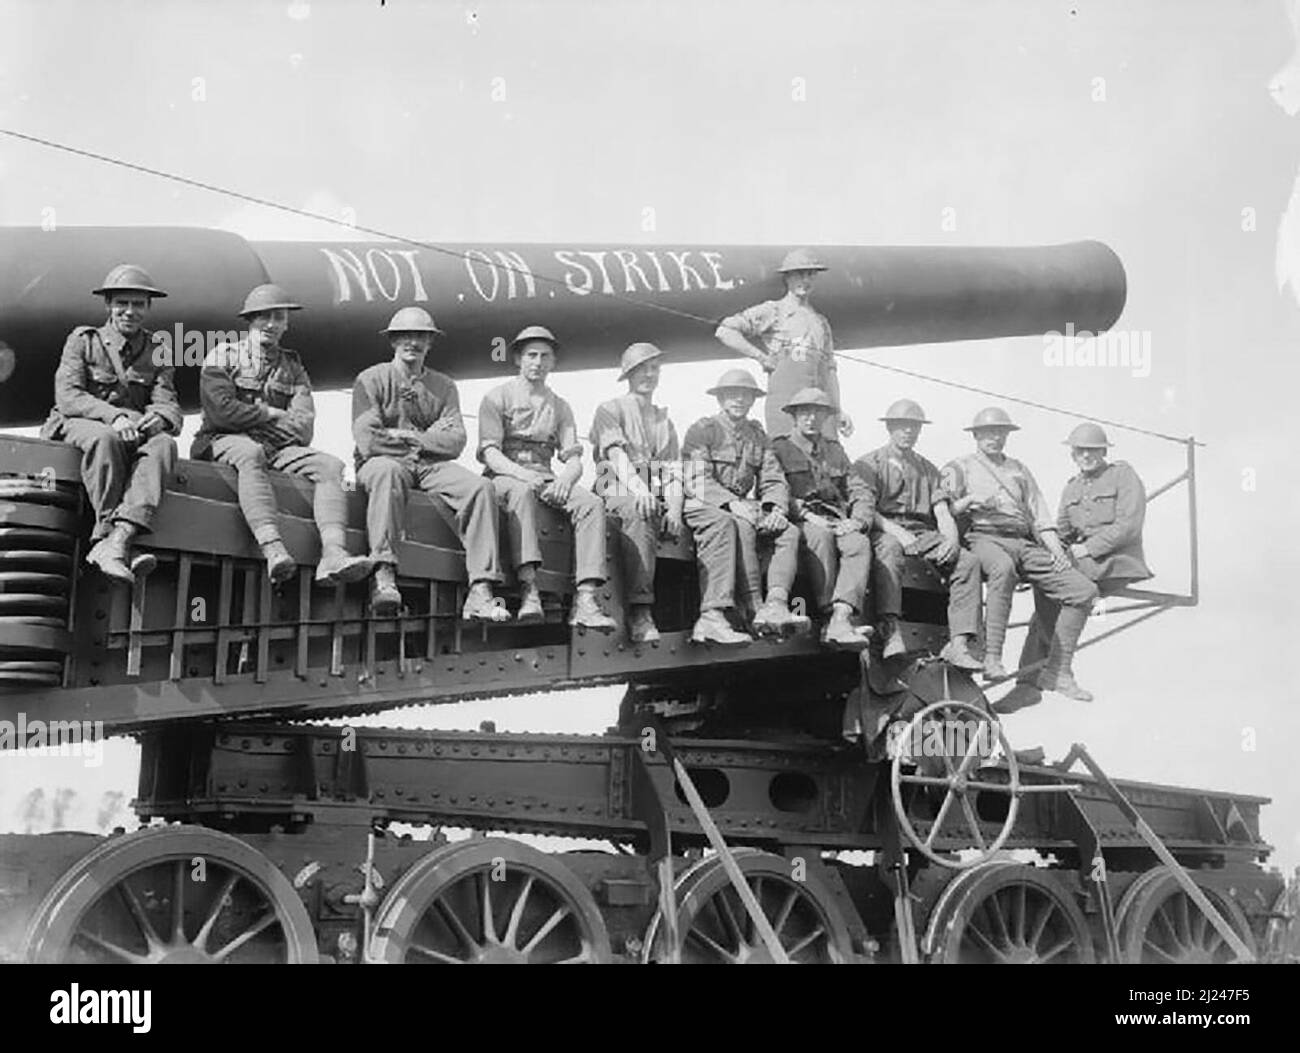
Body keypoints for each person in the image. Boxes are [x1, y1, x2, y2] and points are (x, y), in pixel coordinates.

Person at [192, 284, 371, 587]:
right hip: (221, 441)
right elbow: (221, 412)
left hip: (276, 448)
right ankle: (272, 547)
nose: (271, 324)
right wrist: (270, 414)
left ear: (287, 323)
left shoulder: (292, 366)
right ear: (249, 320)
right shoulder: (222, 356)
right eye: (263, 317)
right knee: (250, 453)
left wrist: (256, 421)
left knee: (332, 467)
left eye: (279, 317)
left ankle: (333, 554)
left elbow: (303, 426)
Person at [352, 306, 508, 622]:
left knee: (480, 487)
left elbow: (456, 441)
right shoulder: (371, 379)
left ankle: (480, 589)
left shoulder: (444, 386)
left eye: (421, 336)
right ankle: (384, 575)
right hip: (381, 461)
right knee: (387, 471)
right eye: (405, 336)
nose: (413, 342)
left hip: (428, 466)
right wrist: (425, 437)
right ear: (393, 341)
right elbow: (367, 438)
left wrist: (411, 438)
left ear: (430, 343)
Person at [940, 407, 1098, 701]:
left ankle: (1059, 672)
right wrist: (970, 500)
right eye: (988, 433)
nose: (995, 438)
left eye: (1000, 432)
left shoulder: (1019, 469)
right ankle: (992, 659)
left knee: (1083, 590)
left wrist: (1056, 553)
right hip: (984, 537)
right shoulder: (959, 467)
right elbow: (943, 510)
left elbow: (1041, 517)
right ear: (975, 435)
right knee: (1002, 569)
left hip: (1023, 541)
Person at [40, 264, 180, 582]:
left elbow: (167, 402)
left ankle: (119, 539)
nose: (129, 312)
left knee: (164, 445)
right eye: (122, 303)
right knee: (105, 438)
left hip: (130, 430)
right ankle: (106, 534)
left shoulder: (158, 349)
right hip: (77, 423)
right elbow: (69, 396)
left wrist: (159, 419)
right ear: (109, 306)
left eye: (138, 304)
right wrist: (114, 416)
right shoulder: (83, 340)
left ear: (148, 308)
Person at [1000, 422, 1152, 713]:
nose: (1086, 456)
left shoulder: (1122, 475)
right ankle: (1029, 685)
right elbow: (1063, 532)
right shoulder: (1072, 487)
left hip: (1116, 560)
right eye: (1080, 451)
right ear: (1072, 454)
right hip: (1082, 561)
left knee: (1066, 585)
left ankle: (1056, 673)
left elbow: (1128, 526)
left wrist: (1088, 548)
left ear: (1103, 450)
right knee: (1046, 589)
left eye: (1092, 450)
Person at [476, 326, 616, 631]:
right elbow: (490, 453)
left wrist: (566, 479)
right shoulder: (496, 397)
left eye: (545, 356)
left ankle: (586, 600)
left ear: (553, 362)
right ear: (517, 359)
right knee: (521, 494)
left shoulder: (560, 406)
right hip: (505, 475)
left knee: (591, 503)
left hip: (545, 475)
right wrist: (522, 475)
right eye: (531, 355)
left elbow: (574, 457)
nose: (537, 362)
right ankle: (529, 589)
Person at [680, 368, 808, 644]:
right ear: (721, 399)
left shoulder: (757, 436)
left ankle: (777, 604)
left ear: (752, 401)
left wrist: (776, 509)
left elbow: (773, 476)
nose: (739, 400)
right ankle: (754, 606)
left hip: (744, 505)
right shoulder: (704, 430)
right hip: (709, 503)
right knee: (740, 523)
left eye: (745, 396)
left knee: (788, 532)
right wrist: (731, 503)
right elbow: (696, 479)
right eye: (732, 395)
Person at [589, 342, 683, 644]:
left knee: (680, 516)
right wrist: (641, 491)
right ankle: (641, 611)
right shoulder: (610, 409)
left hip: (651, 487)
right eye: (641, 369)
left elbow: (675, 472)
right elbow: (615, 456)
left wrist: (675, 510)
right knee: (638, 510)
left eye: (654, 368)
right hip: (614, 481)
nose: (649, 374)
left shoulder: (664, 420)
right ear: (628, 374)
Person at [852, 399, 961, 658]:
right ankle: (889, 628)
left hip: (921, 531)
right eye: (902, 426)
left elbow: (942, 511)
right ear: (890, 428)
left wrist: (951, 540)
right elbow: (867, 508)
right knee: (889, 549)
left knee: (967, 562)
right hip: (884, 528)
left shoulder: (928, 469)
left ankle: (961, 641)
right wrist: (898, 533)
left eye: (913, 427)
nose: (908, 432)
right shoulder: (869, 463)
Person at [769, 387, 873, 649]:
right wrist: (804, 514)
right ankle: (827, 613)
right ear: (794, 416)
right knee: (819, 537)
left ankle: (842, 616)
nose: (811, 418)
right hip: (803, 518)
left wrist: (857, 520)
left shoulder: (835, 451)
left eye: (817, 413)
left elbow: (859, 489)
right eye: (804, 412)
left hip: (837, 518)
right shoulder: (780, 448)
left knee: (858, 543)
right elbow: (773, 487)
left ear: (825, 417)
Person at [714, 248, 852, 441]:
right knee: (787, 458)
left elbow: (829, 371)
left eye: (810, 274)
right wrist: (761, 357)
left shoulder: (821, 322)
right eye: (799, 274)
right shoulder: (774, 311)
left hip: (820, 410)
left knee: (829, 461)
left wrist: (838, 410)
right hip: (786, 407)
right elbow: (725, 331)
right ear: (787, 277)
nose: (805, 280)